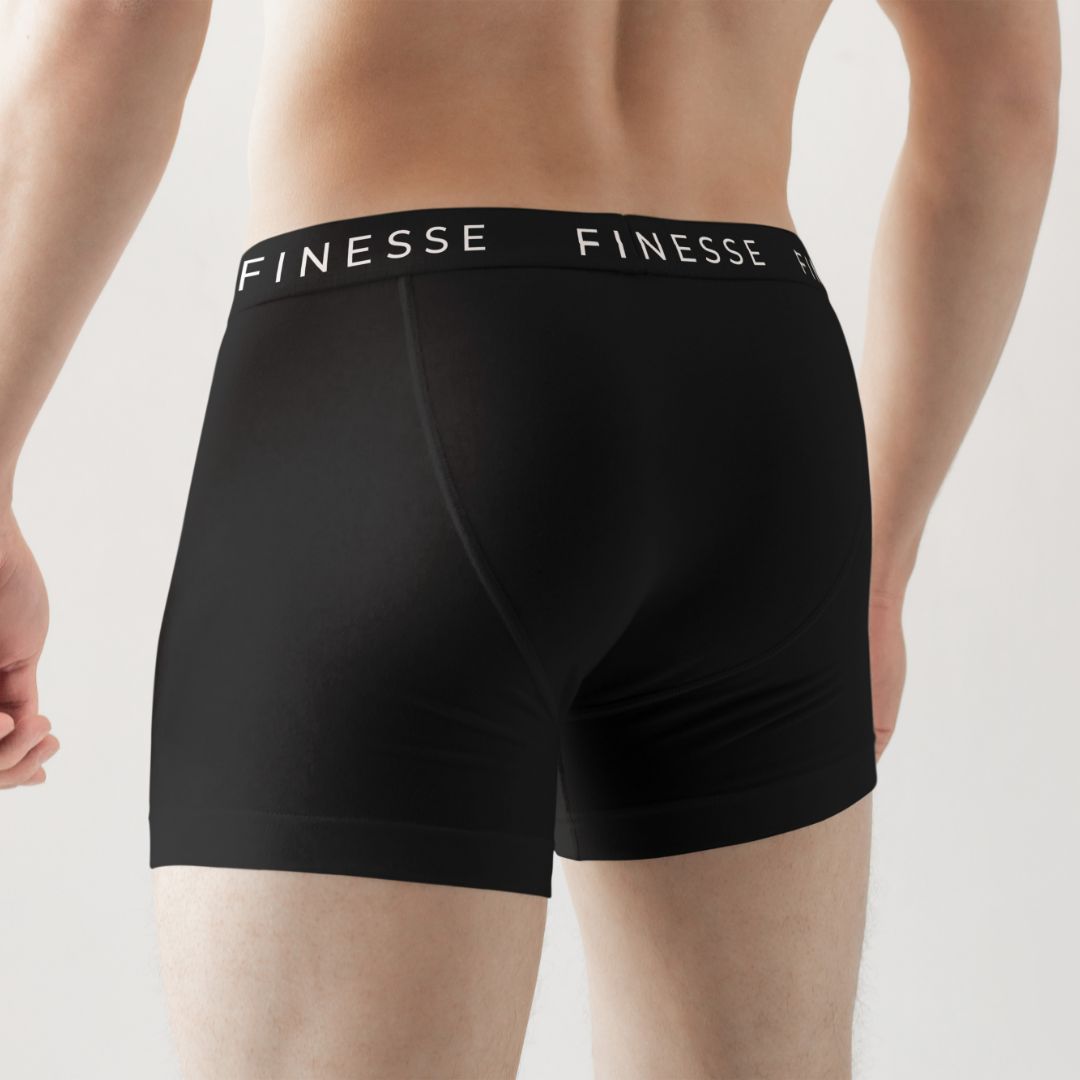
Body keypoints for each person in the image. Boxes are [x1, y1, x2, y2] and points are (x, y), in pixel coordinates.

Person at [0, 1, 1060, 1077]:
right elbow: (1005, 94)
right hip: (761, 393)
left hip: (407, 353)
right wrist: (878, 574)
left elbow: (110, 25)